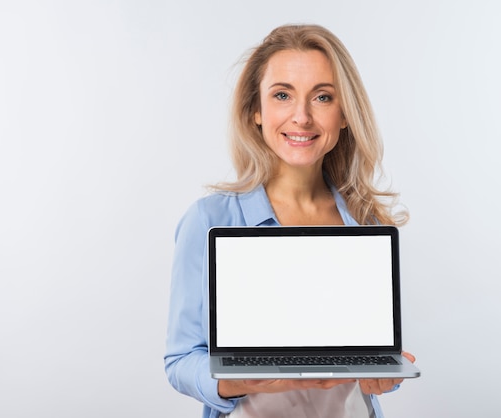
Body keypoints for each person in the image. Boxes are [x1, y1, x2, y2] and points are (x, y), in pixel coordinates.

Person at [164, 24, 416, 418]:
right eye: (282, 95)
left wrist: (385, 371)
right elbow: (180, 361)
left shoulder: (364, 224)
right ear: (256, 112)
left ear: (345, 113)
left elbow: (369, 357)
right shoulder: (209, 220)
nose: (302, 116)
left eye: (323, 97)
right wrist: (243, 380)